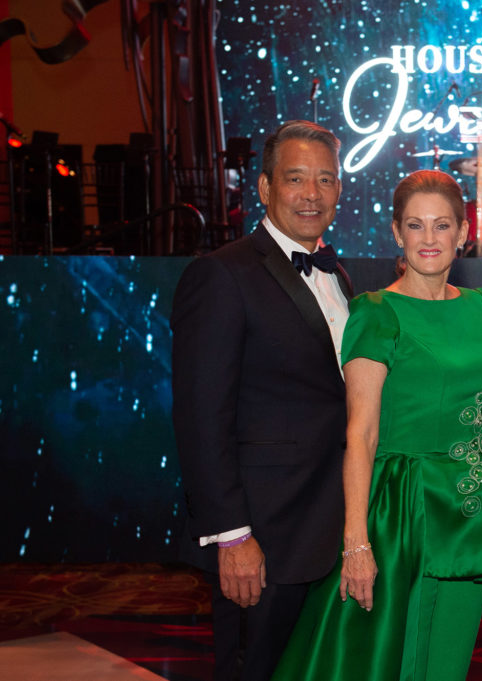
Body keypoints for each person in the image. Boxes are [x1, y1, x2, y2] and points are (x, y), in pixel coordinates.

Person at [272, 169, 482, 681]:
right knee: (400, 662)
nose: (429, 239)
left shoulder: (479, 307)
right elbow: (361, 434)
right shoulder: (376, 311)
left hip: (469, 511)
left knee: (448, 662)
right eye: (415, 225)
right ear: (397, 233)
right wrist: (356, 541)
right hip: (403, 511)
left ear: (462, 231)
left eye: (441, 225)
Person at [171, 120, 352, 681]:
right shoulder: (222, 274)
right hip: (264, 536)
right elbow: (202, 418)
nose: (312, 194)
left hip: (332, 530)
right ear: (266, 188)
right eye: (296, 179)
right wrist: (232, 535)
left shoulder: (338, 274)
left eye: (325, 179)